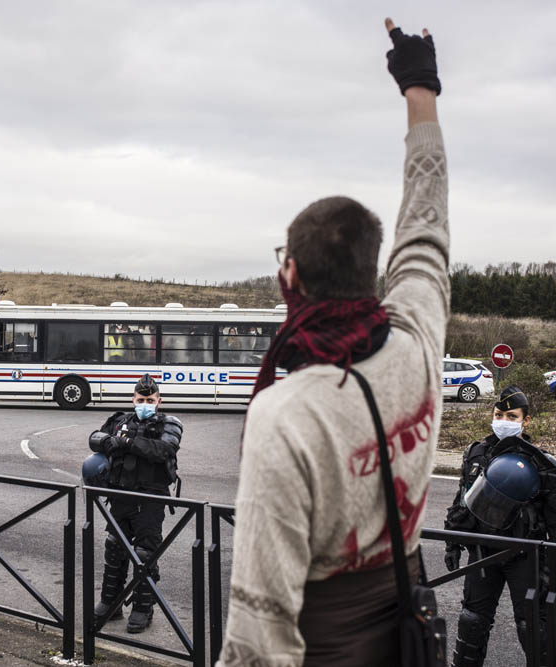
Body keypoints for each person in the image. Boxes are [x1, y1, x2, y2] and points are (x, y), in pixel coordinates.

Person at [218, 19, 448, 666]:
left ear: (290, 273)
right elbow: (425, 222)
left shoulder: (286, 413)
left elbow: (260, 631)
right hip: (407, 628)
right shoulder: (416, 342)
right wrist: (420, 89)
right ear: (372, 270)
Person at [444, 386, 556, 667]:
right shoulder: (476, 453)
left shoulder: (544, 466)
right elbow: (462, 501)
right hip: (481, 553)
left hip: (524, 556)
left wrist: (551, 567)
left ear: (526, 421)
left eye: (512, 416)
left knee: (533, 629)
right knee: (472, 623)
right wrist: (452, 542)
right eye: (499, 414)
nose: (503, 420)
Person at [88, 374, 182, 634]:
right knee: (114, 550)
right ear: (133, 399)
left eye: (150, 400)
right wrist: (108, 440)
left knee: (144, 554)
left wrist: (126, 443)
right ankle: (110, 602)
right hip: (119, 496)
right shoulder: (119, 421)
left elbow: (163, 450)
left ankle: (143, 608)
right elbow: (95, 439)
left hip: (150, 499)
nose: (145, 403)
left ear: (159, 401)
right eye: (140, 399)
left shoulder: (170, 424)